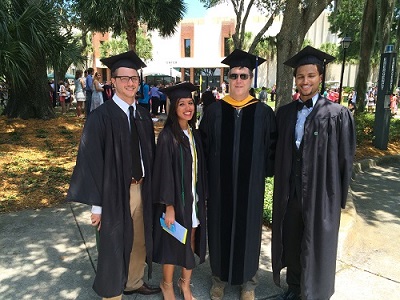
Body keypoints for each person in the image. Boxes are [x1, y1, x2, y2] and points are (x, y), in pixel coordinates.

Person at [66, 50, 160, 299]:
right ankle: (112, 293)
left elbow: (149, 155)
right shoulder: (100, 117)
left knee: (139, 240)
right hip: (114, 192)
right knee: (113, 244)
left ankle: (134, 281)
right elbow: (91, 162)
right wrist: (97, 206)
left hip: (142, 187)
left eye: (135, 78)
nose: (131, 83)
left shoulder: (142, 115)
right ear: (114, 81)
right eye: (125, 78)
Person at [272, 46, 356, 300]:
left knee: (317, 242)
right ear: (295, 80)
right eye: (300, 76)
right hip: (291, 193)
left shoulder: (337, 114)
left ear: (320, 77)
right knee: (294, 238)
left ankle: (314, 292)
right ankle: (295, 287)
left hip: (321, 192)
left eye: (311, 75)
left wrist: (337, 197)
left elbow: (345, 159)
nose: (305, 81)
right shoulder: (286, 113)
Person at [199, 49, 277, 300]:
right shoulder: (213, 112)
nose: (239, 80)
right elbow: (203, 147)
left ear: (251, 79)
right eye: (234, 75)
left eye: (244, 75)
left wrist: (258, 177)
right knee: (219, 231)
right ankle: (219, 279)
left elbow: (271, 150)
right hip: (221, 188)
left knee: (250, 232)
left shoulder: (264, 113)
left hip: (250, 188)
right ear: (228, 79)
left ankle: (249, 283)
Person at [152, 82, 207, 300]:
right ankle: (166, 284)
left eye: (190, 103)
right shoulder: (168, 137)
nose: (187, 107)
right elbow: (164, 173)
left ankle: (185, 283)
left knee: (191, 237)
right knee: (173, 242)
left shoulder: (194, 134)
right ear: (173, 108)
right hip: (176, 202)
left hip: (193, 200)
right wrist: (170, 206)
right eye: (181, 103)